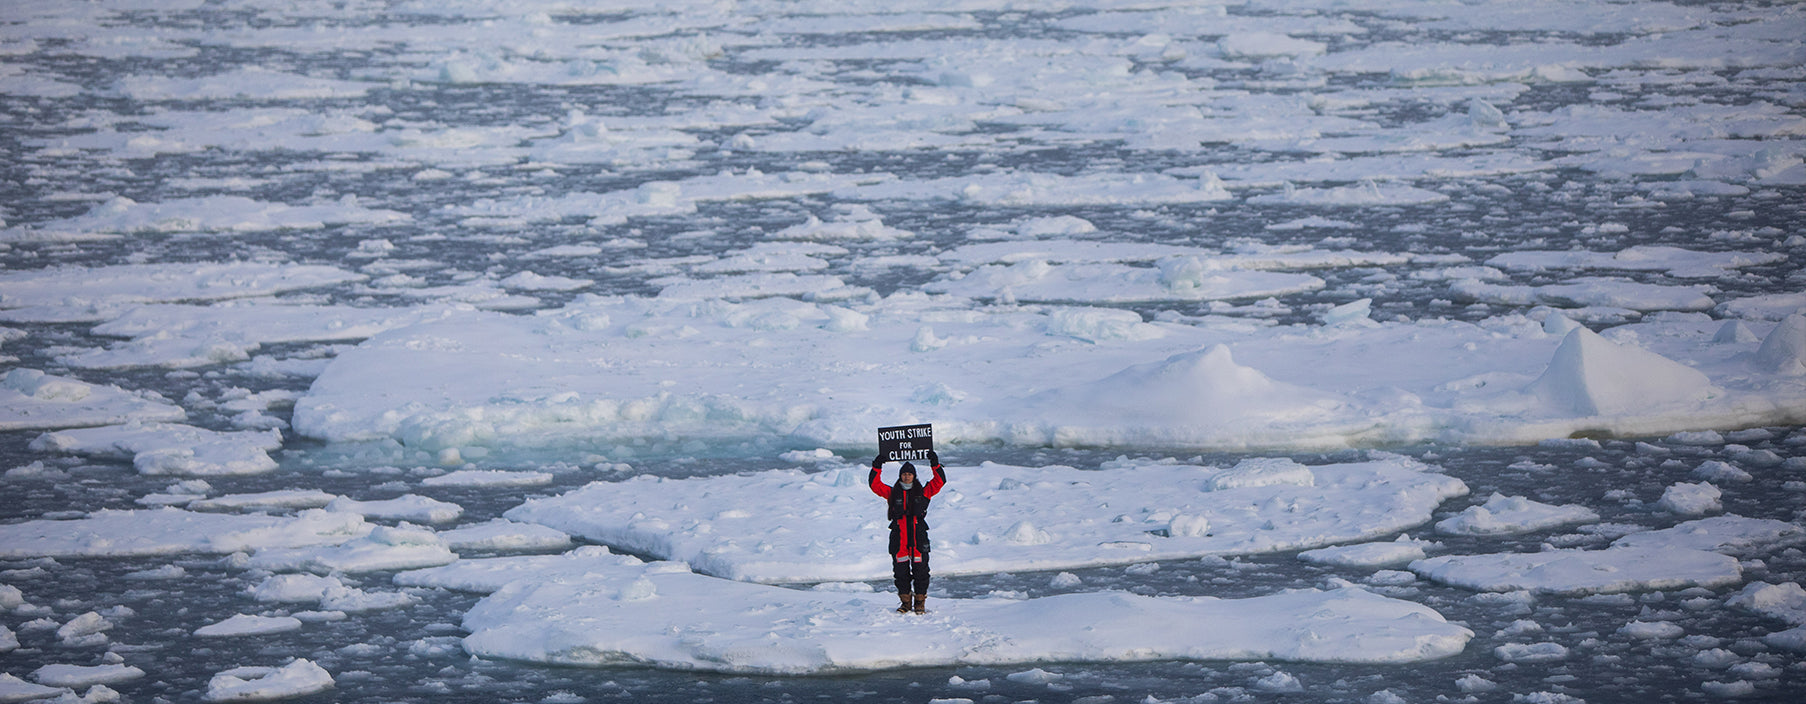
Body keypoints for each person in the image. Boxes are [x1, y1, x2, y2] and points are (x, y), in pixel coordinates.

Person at [869, 449, 945, 614]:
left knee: (921, 571)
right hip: (899, 536)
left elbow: (939, 481)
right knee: (900, 572)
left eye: (910, 474)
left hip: (918, 536)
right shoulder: (892, 493)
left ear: (914, 476)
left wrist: (935, 463)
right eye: (904, 474)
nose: (907, 476)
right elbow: (875, 485)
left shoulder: (924, 492)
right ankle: (905, 603)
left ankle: (920, 603)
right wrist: (877, 466)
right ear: (900, 476)